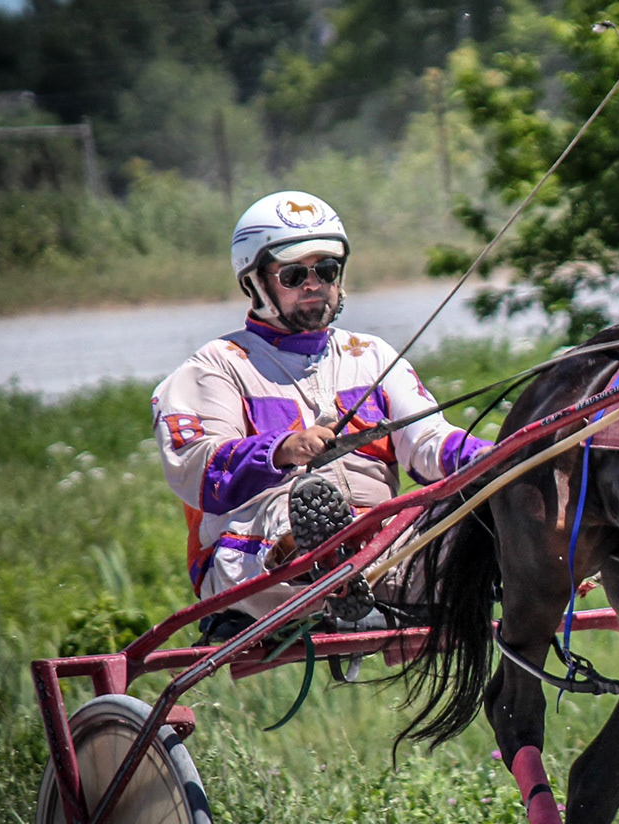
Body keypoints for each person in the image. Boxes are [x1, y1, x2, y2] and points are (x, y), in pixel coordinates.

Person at [152, 191, 490, 641]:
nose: (314, 284)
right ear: (253, 283)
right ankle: (327, 562)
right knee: (291, 505)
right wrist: (281, 450)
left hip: (383, 544)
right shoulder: (215, 366)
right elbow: (197, 470)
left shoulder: (372, 355)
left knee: (482, 514)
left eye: (326, 270)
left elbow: (428, 441)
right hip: (253, 565)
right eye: (294, 274)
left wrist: (497, 459)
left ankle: (358, 572)